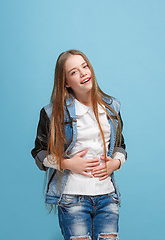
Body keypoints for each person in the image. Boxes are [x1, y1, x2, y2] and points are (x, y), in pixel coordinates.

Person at [31, 49, 127, 240]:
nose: (83, 73)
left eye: (85, 66)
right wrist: (67, 164)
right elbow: (39, 153)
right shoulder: (52, 113)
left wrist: (114, 164)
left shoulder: (111, 107)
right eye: (74, 71)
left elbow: (120, 147)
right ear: (66, 82)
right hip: (72, 197)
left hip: (107, 196)